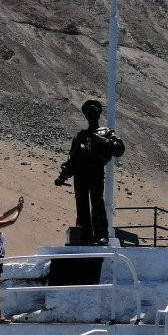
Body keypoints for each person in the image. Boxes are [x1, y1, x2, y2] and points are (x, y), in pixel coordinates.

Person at [55, 99, 125, 245]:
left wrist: (101, 140)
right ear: (86, 116)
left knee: (97, 202)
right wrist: (63, 176)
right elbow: (72, 159)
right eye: (89, 112)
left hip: (96, 171)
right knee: (81, 204)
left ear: (99, 114)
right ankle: (84, 235)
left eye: (95, 110)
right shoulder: (80, 136)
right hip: (80, 173)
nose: (92, 113)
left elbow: (119, 149)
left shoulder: (105, 132)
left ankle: (101, 235)